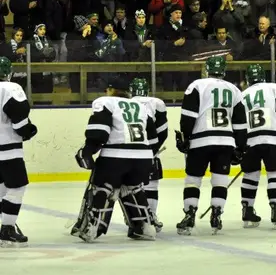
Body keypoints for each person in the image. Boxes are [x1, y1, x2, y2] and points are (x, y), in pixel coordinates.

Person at [73, 77, 159, 243]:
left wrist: (87, 151)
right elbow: (153, 138)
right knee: (133, 188)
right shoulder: (141, 106)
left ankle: (93, 226)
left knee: (103, 188)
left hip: (115, 156)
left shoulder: (106, 102)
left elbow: (99, 132)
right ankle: (146, 227)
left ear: (111, 90)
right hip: (143, 157)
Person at [175, 56, 247, 235]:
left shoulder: (197, 85)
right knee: (220, 180)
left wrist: (185, 137)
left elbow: (188, 115)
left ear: (207, 69)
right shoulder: (234, 90)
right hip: (225, 141)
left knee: (193, 179)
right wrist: (240, 147)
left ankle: (189, 215)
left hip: (200, 139)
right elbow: (240, 124)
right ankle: (216, 214)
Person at [240, 64, 276, 229]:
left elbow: (239, 122)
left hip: (250, 140)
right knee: (275, 174)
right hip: (271, 137)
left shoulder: (242, 94)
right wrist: (274, 132)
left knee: (250, 175)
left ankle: (247, 210)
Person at [0, 57, 37, 246]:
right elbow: (19, 118)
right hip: (7, 150)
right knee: (16, 188)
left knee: (2, 188)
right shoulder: (9, 88)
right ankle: (7, 228)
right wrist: (28, 131)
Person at [129, 78, 168, 231]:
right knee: (152, 185)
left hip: (129, 151)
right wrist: (153, 150)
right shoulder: (157, 103)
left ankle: (136, 220)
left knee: (130, 188)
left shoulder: (125, 103)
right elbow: (163, 132)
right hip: (149, 150)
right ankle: (151, 216)